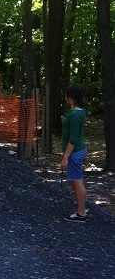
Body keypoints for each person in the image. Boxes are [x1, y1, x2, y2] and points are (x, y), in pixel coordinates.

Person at [60, 83, 87, 221]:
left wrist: (65, 157)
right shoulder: (75, 113)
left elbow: (74, 138)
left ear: (70, 98)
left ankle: (81, 213)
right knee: (73, 180)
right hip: (73, 152)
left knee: (77, 181)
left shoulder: (75, 115)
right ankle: (80, 206)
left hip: (75, 152)